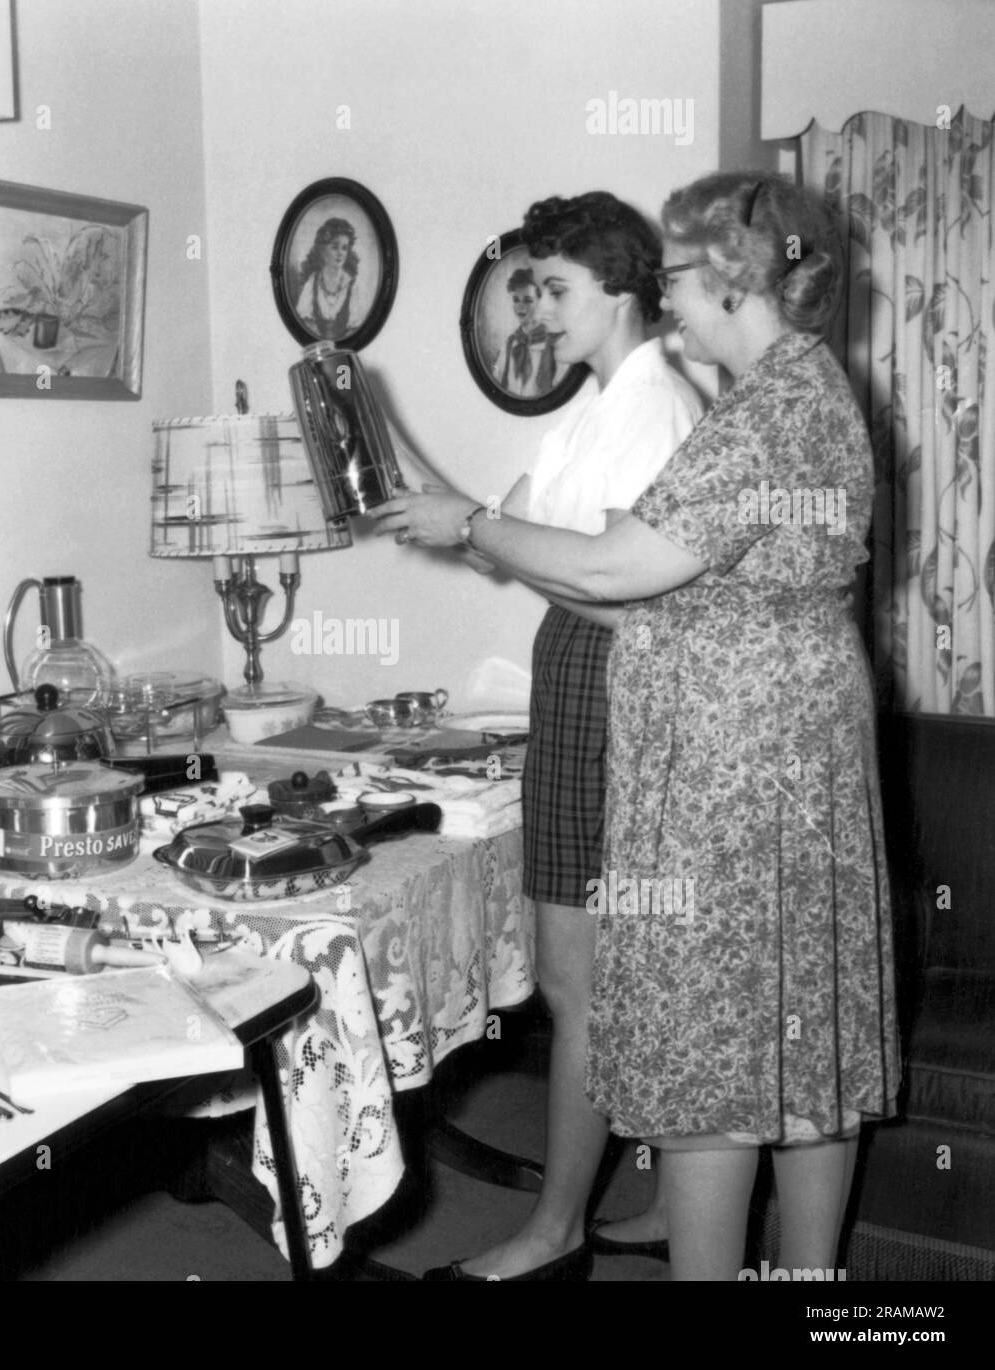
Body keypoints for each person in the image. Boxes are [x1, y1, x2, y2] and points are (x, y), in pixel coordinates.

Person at [374, 171, 900, 1280]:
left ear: (730, 279)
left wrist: (470, 520)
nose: (662, 298)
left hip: (732, 763)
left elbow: (619, 566)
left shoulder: (761, 416)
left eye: (672, 274)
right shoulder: (813, 391)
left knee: (707, 1055)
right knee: (803, 1041)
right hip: (793, 748)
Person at [403, 190, 704, 1282]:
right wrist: (387, 459)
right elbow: (494, 542)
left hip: (618, 693)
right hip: (582, 689)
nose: (537, 309)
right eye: (531, 287)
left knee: (581, 983)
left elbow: (628, 594)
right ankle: (672, 1198)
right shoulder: (587, 410)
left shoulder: (655, 407)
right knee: (613, 974)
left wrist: (480, 528)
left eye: (557, 288)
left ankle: (554, 1227)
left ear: (621, 290)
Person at [295, 217, 360, 341]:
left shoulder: (352, 285)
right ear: (322, 250)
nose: (340, 253)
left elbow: (354, 329)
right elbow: (306, 321)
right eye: (335, 247)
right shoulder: (313, 281)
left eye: (344, 248)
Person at [491, 266, 546, 397]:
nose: (520, 306)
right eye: (516, 300)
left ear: (541, 302)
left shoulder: (552, 346)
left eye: (528, 300)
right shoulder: (509, 344)